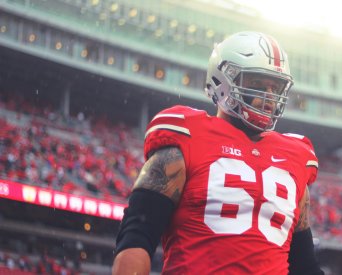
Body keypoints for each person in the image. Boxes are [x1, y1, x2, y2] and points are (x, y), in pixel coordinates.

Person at [112, 31, 323, 275]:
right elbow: (137, 236)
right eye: (257, 84)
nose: (269, 98)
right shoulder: (187, 137)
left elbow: (304, 264)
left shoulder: (295, 156)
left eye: (275, 89)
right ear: (223, 79)